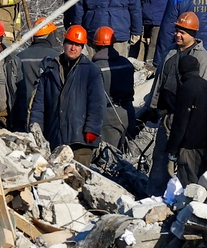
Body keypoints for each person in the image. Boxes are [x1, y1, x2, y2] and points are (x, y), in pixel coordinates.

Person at [147, 11, 207, 193]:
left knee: (186, 165)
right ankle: (154, 197)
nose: (178, 34)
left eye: (183, 32)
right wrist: (152, 107)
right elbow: (159, 82)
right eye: (177, 30)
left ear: (193, 34)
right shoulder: (169, 53)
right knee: (160, 160)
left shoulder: (203, 58)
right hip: (168, 117)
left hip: (188, 121)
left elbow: (206, 94)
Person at [28, 24, 106, 162]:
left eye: (77, 44)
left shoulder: (91, 71)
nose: (73, 47)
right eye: (70, 43)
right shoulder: (50, 69)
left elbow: (97, 104)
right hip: (53, 138)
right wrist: (36, 128)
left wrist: (92, 129)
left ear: (82, 47)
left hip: (79, 141)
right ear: (64, 43)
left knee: (77, 180)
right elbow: (39, 104)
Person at [165, 54, 207, 186]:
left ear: (180, 71)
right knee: (204, 187)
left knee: (189, 189)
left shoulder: (186, 88)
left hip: (190, 148)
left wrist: (172, 151)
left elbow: (180, 123)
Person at [91, 26, 138, 150]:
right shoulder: (126, 63)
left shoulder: (95, 68)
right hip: (128, 113)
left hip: (108, 116)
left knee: (109, 157)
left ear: (95, 45)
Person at [13, 21, 61, 131]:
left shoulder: (19, 57)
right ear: (50, 35)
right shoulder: (57, 58)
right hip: (50, 116)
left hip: (22, 114)